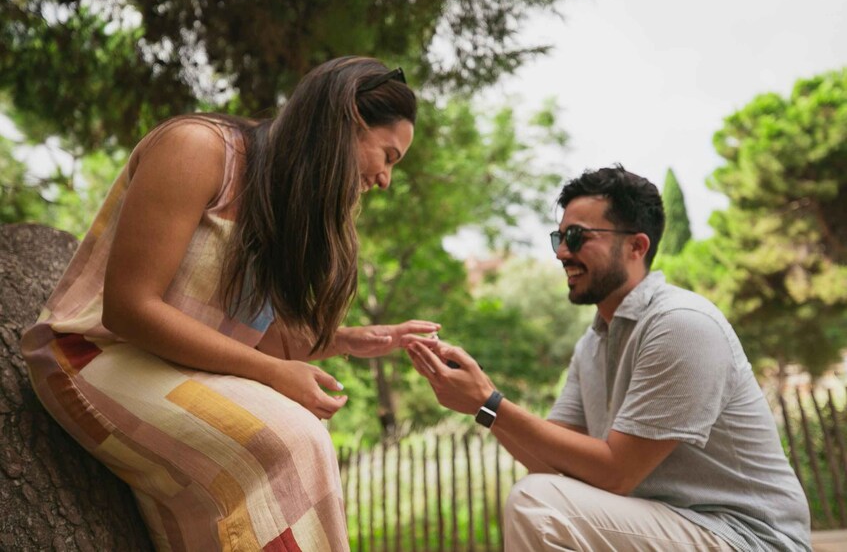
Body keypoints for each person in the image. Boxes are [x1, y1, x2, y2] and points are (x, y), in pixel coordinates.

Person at [21, 56, 441, 551]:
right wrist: (270, 373)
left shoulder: (278, 201)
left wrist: (353, 340)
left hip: (179, 371)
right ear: (348, 118)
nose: (386, 180)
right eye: (388, 156)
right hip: (92, 358)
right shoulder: (197, 148)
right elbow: (130, 309)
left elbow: (251, 332)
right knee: (293, 438)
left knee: (237, 498)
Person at [404, 165, 811, 551]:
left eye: (577, 237)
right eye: (558, 238)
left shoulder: (681, 325)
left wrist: (490, 400)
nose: (562, 253)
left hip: (747, 538)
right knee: (543, 495)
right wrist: (482, 408)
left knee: (538, 504)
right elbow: (549, 464)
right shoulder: (595, 341)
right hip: (672, 526)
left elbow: (618, 472)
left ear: (636, 246)